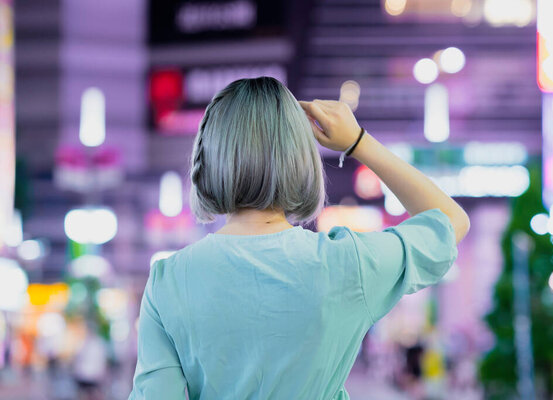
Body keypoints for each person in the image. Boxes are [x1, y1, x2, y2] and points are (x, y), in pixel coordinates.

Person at [128, 77, 470, 400]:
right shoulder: (347, 263)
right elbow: (450, 222)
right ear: (300, 159)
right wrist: (358, 142)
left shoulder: (167, 280)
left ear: (209, 158)